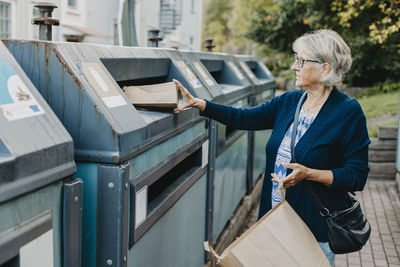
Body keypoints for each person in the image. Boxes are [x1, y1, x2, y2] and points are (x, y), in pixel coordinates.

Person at [173, 29, 370, 266]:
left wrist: (310, 174)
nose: (294, 66)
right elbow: (243, 118)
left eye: (301, 60)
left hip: (312, 234)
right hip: (272, 225)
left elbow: (356, 176)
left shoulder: (348, 112)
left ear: (325, 68)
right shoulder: (289, 102)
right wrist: (200, 104)